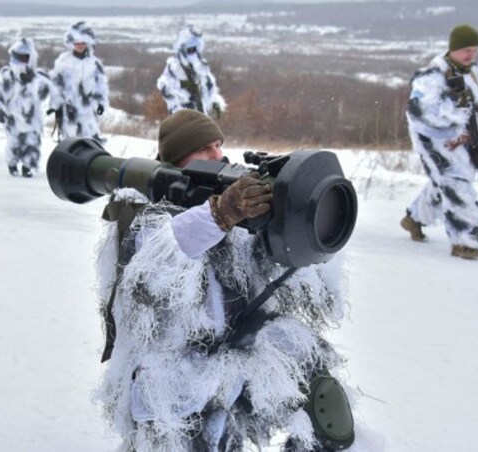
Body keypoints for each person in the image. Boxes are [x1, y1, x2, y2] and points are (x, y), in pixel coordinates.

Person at [95, 109, 356, 451]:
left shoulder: (233, 211)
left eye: (218, 144)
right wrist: (219, 215)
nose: (218, 155)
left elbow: (278, 284)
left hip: (229, 374)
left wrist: (294, 228)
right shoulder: (146, 216)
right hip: (171, 390)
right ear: (176, 159)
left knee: (318, 390)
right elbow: (155, 269)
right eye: (204, 149)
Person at [400, 24, 478, 260]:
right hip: (438, 144)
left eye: (474, 49)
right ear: (453, 48)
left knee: (445, 183)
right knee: (455, 184)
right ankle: (464, 239)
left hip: (471, 144)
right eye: (466, 49)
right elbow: (419, 113)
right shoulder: (432, 77)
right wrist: (451, 127)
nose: (470, 54)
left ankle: (414, 218)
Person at [0, 37, 52, 177]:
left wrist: (35, 82)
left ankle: (27, 166)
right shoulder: (7, 74)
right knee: (14, 142)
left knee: (32, 143)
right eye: (18, 57)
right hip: (12, 116)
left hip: (32, 117)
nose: (21, 60)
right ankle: (12, 164)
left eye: (25, 57)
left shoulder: (38, 77)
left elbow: (44, 94)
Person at [48, 21, 109, 141]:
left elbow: (100, 85)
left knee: (90, 140)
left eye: (83, 43)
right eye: (77, 43)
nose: (80, 45)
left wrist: (101, 103)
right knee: (70, 142)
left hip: (88, 110)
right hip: (69, 110)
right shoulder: (63, 62)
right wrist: (55, 105)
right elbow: (56, 85)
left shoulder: (94, 63)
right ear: (72, 43)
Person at [156, 24, 225, 118]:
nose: (193, 54)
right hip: (181, 116)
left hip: (201, 115)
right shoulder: (174, 67)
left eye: (195, 50)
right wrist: (182, 86)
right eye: (190, 50)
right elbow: (165, 87)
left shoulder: (201, 70)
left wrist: (214, 102)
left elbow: (209, 87)